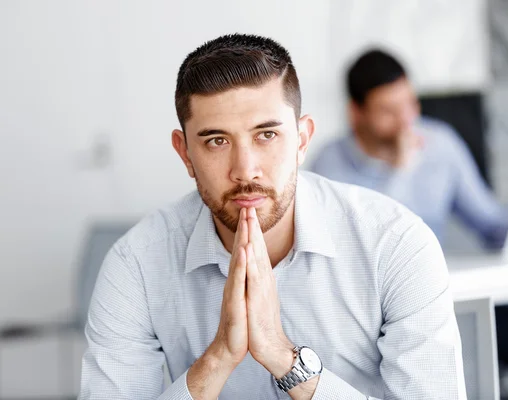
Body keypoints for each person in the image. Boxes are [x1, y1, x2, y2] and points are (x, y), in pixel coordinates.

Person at [79, 34, 467, 399]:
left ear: (301, 140)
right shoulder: (136, 265)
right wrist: (217, 359)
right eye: (217, 141)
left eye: (266, 135)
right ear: (185, 154)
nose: (245, 170)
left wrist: (285, 358)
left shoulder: (395, 243)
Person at [311, 49, 508, 400]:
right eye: (388, 112)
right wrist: (400, 173)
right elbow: (364, 247)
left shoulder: (441, 145)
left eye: (409, 104)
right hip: (375, 322)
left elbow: (489, 222)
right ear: (356, 113)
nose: (406, 121)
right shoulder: (328, 169)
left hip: (449, 301)